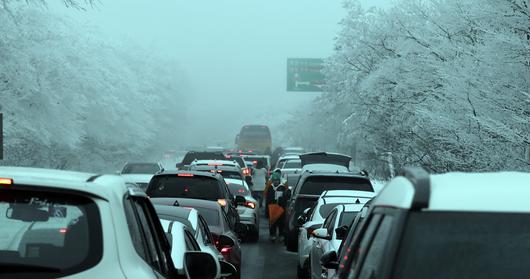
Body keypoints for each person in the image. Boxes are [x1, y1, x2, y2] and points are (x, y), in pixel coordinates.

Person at [265, 171, 287, 242]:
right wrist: (267, 210)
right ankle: (272, 235)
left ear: (279, 180)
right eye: (274, 180)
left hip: (281, 208)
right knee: (272, 222)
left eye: (277, 180)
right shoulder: (270, 188)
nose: (276, 182)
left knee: (281, 222)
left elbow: (286, 198)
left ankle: (281, 235)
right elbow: (267, 199)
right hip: (272, 207)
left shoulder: (282, 187)